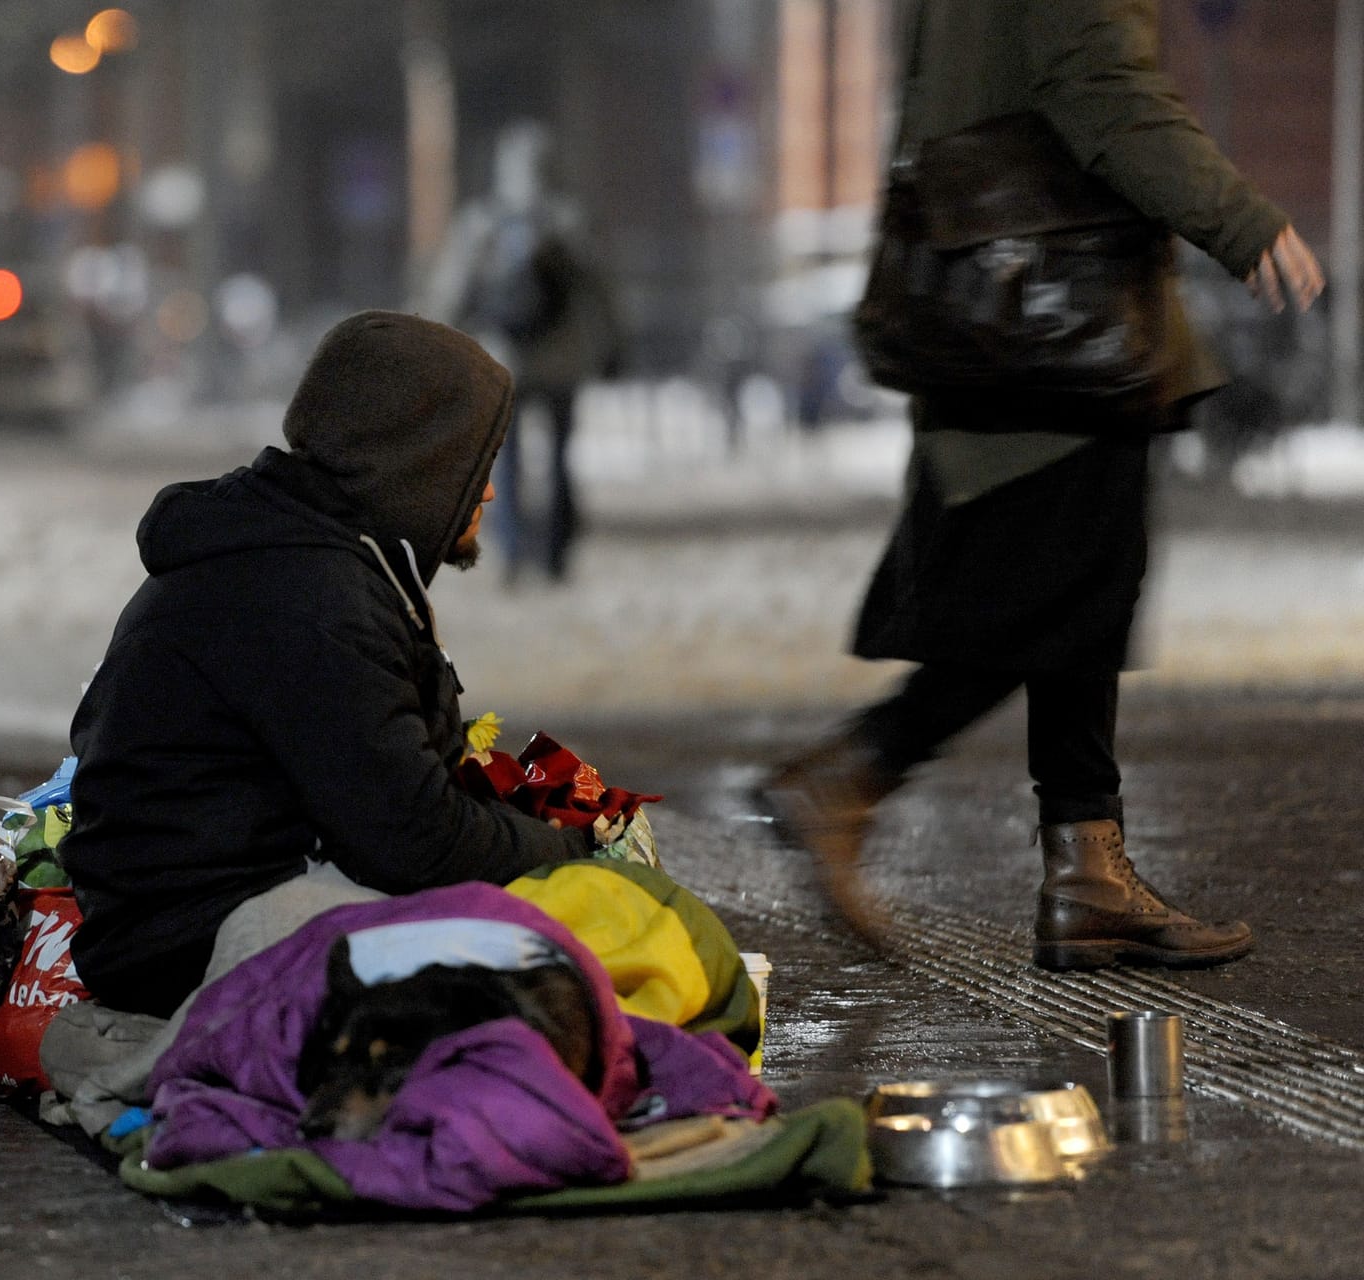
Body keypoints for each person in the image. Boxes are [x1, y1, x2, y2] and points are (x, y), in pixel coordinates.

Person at [757, 0, 1325, 971]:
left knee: (1075, 602)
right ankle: (849, 776)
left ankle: (1087, 875)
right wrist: (1236, 216)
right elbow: (1099, 87)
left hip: (999, 305)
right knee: (1050, 599)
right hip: (1056, 322)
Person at [57, 311, 605, 1019]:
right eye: (481, 461)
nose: (490, 491)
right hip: (194, 945)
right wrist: (572, 850)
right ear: (419, 457)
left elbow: (398, 803)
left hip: (202, 916)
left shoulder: (309, 554)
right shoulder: (310, 595)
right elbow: (419, 844)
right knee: (544, 966)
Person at [420, 122, 622, 584]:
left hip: (504, 359)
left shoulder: (484, 222)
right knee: (558, 455)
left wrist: (435, 345)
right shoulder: (569, 220)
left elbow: (452, 291)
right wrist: (613, 346)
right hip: (564, 358)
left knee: (504, 459)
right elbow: (601, 292)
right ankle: (555, 553)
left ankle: (510, 552)